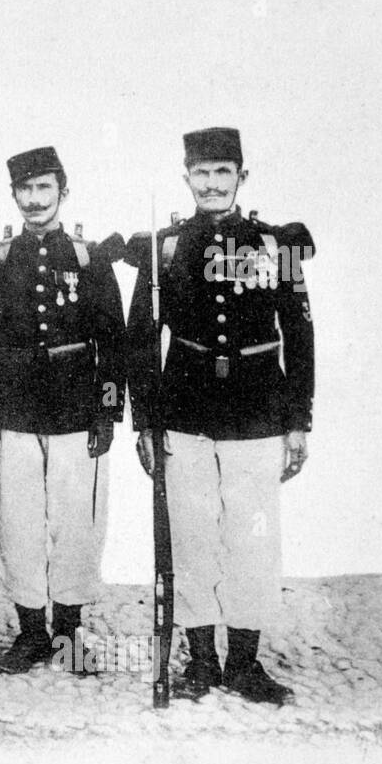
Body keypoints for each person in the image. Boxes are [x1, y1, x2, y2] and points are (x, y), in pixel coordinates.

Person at [124, 127, 314, 705]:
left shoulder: (276, 245)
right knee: (193, 535)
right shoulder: (165, 249)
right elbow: (139, 340)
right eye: (200, 174)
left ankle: (245, 664)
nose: (211, 184)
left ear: (241, 178)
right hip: (184, 408)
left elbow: (299, 336)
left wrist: (298, 420)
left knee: (252, 539)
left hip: (258, 410)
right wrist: (146, 422)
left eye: (222, 173)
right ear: (187, 179)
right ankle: (201, 661)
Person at [0, 147, 126, 675]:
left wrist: (108, 411)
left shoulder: (89, 258)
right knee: (19, 525)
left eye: (45, 188)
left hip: (76, 410)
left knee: (77, 524)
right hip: (16, 410)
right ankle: (29, 633)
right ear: (14, 196)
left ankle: (67, 633)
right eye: (25, 190)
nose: (35, 199)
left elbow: (114, 339)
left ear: (63, 192)